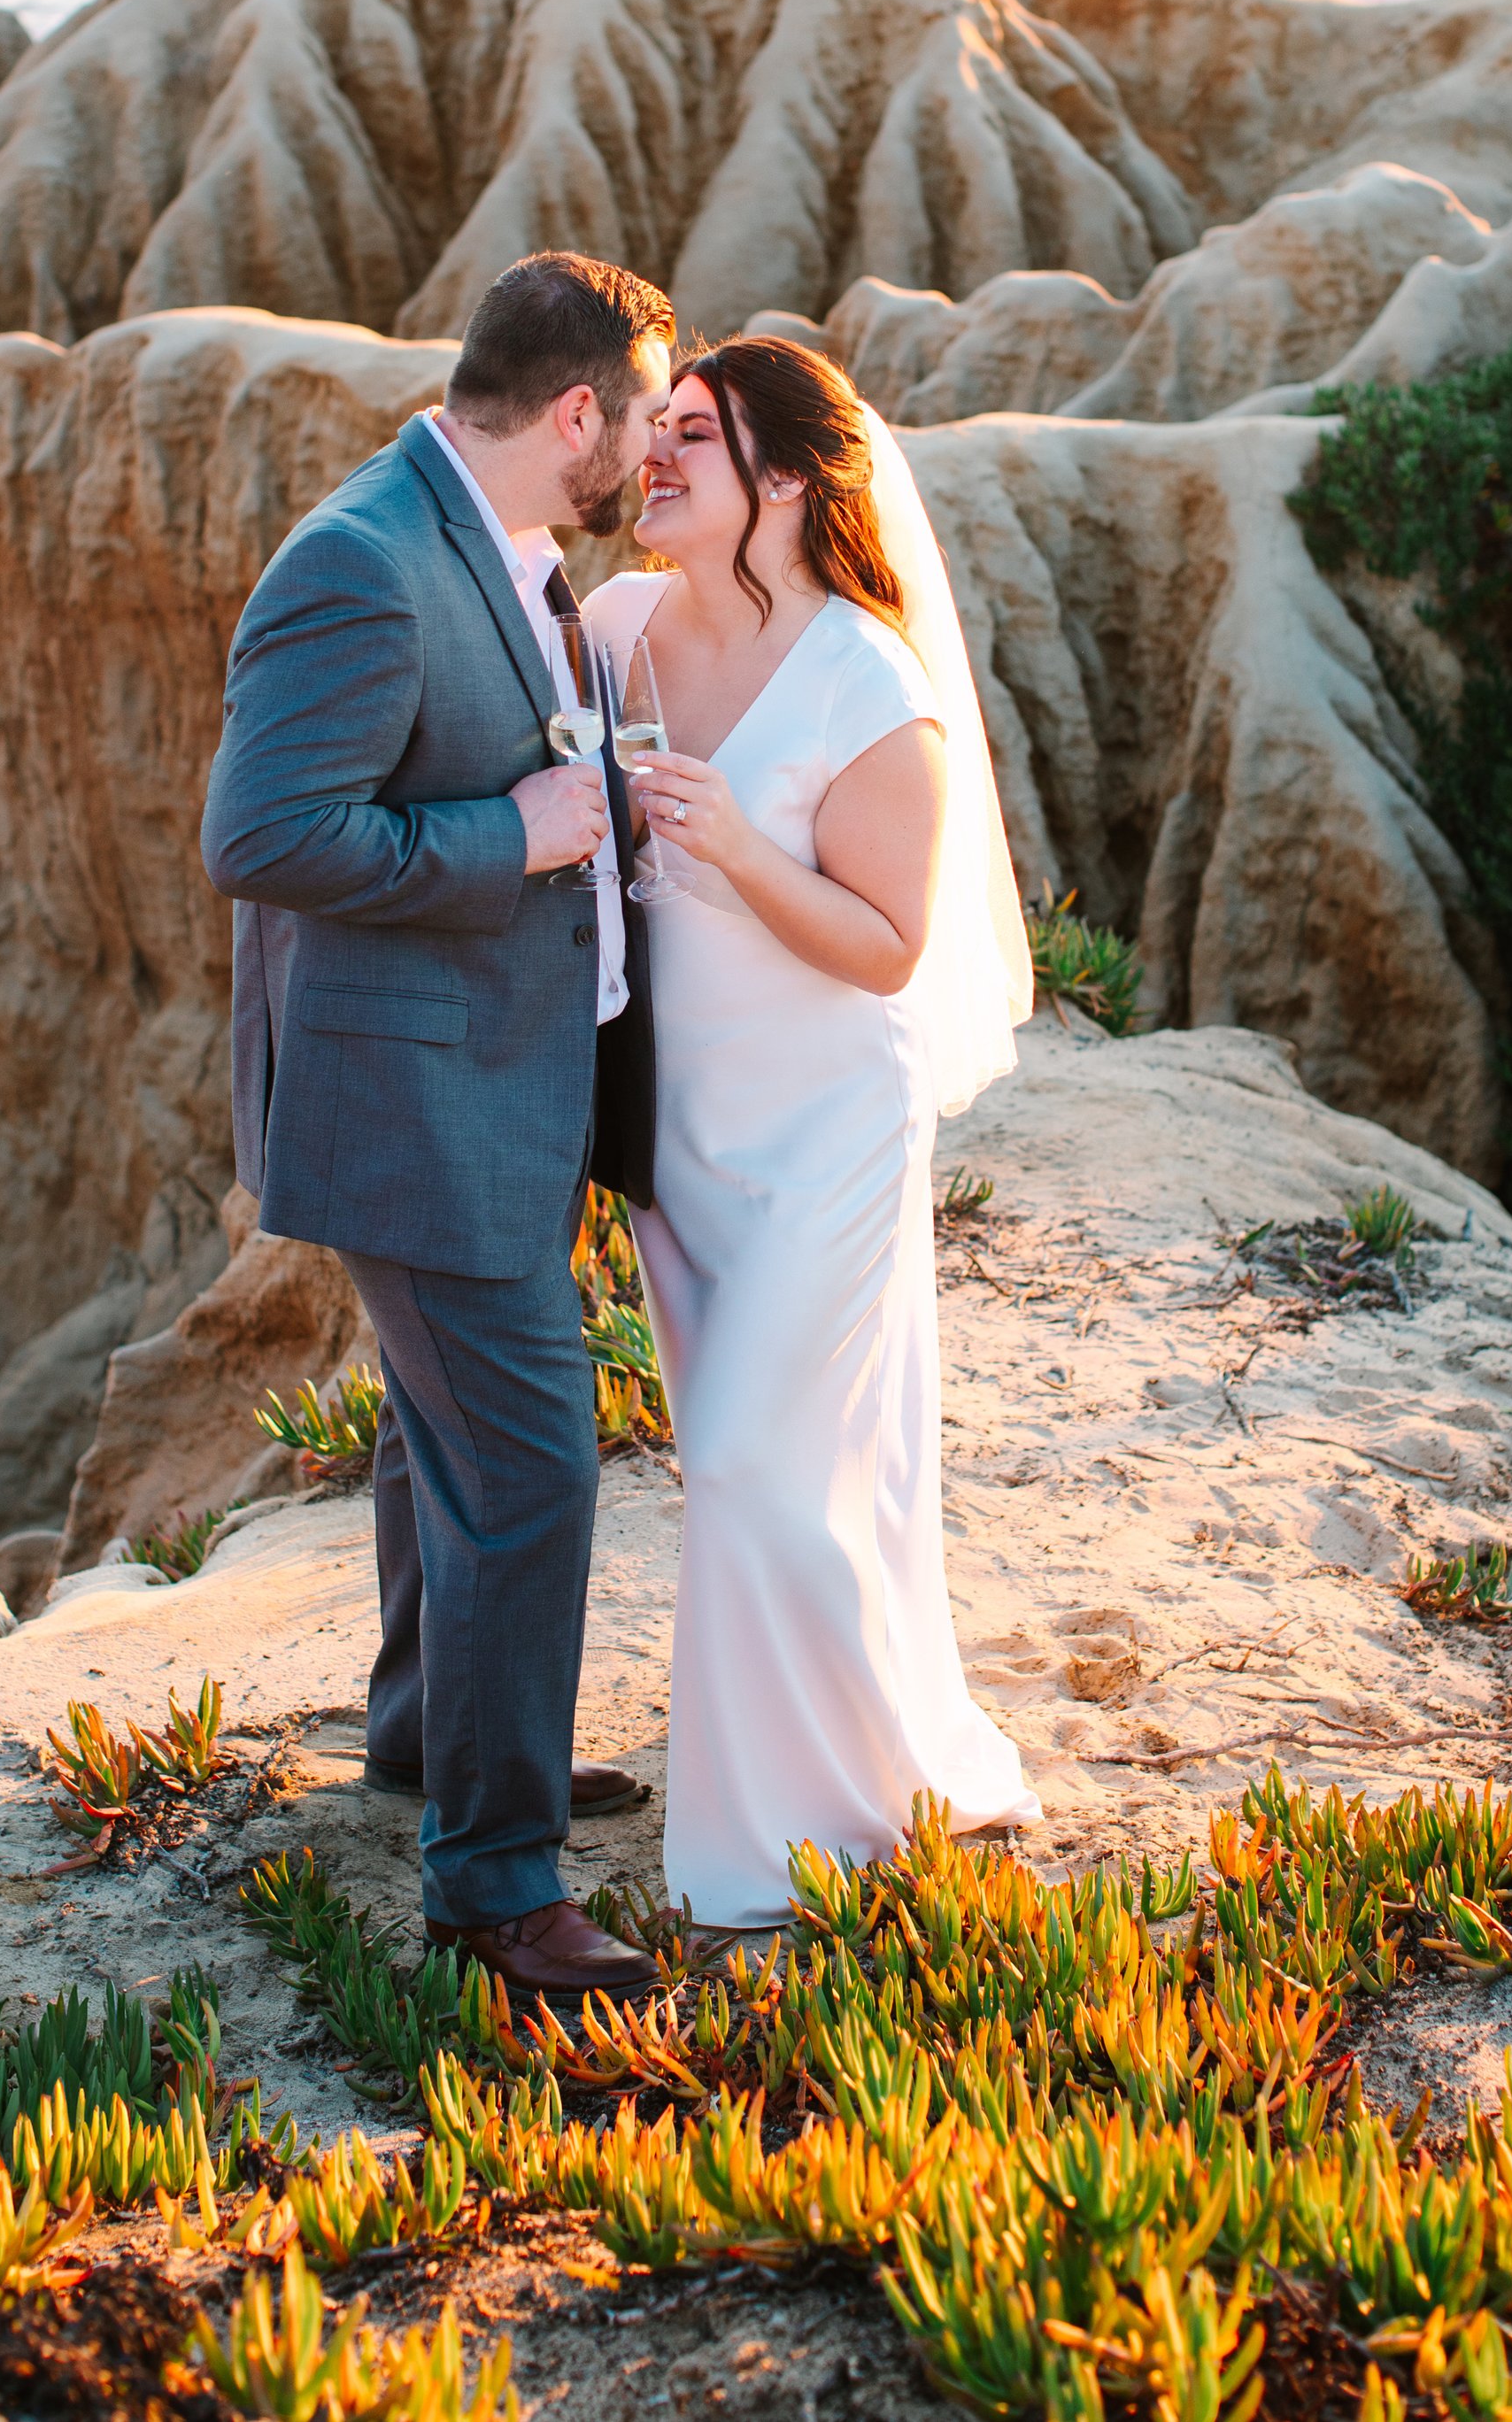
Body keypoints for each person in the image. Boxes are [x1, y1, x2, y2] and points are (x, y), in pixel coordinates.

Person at [200, 249, 675, 2008]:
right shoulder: (363, 561)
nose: (650, 454)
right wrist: (517, 837)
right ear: (577, 413)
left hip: (506, 1080)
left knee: (439, 1438)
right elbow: (262, 837)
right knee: (529, 1469)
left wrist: (597, 821)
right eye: (643, 422)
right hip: (420, 1104)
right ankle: (494, 1889)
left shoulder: (500, 540)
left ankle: (427, 1734)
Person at [585, 336, 1039, 1928]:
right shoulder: (618, 630)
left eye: (693, 435)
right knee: (789, 1467)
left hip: (827, 1131)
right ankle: (876, 1757)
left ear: (784, 478)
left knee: (745, 1455)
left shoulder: (867, 683)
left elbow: (889, 944)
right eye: (655, 428)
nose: (654, 454)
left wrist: (729, 844)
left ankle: (790, 1834)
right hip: (682, 1135)